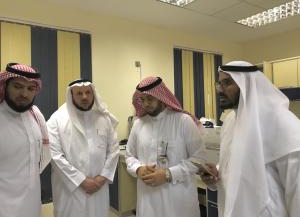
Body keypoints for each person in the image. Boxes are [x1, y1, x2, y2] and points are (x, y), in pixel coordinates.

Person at [201, 61, 300, 217]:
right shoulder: (231, 121)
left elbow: (297, 188)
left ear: (246, 83)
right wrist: (216, 174)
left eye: (227, 83)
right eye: (218, 84)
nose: (220, 90)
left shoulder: (281, 121)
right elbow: (239, 166)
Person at [125, 76, 206, 217]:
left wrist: (168, 174)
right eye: (142, 100)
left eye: (150, 99)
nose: (145, 104)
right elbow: (129, 156)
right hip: (147, 199)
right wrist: (138, 169)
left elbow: (199, 158)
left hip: (177, 200)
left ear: (161, 97)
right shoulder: (138, 124)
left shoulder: (183, 121)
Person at [47, 79, 119, 217]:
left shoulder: (104, 118)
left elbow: (113, 150)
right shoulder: (56, 119)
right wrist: (81, 181)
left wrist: (102, 178)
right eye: (79, 93)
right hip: (70, 191)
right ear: (71, 95)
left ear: (93, 94)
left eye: (88, 92)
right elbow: (55, 156)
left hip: (99, 187)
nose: (84, 97)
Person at [0, 63, 51, 217]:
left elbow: (43, 155)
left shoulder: (35, 115)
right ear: (5, 85)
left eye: (30, 89)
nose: (24, 94)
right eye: (17, 86)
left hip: (32, 202)